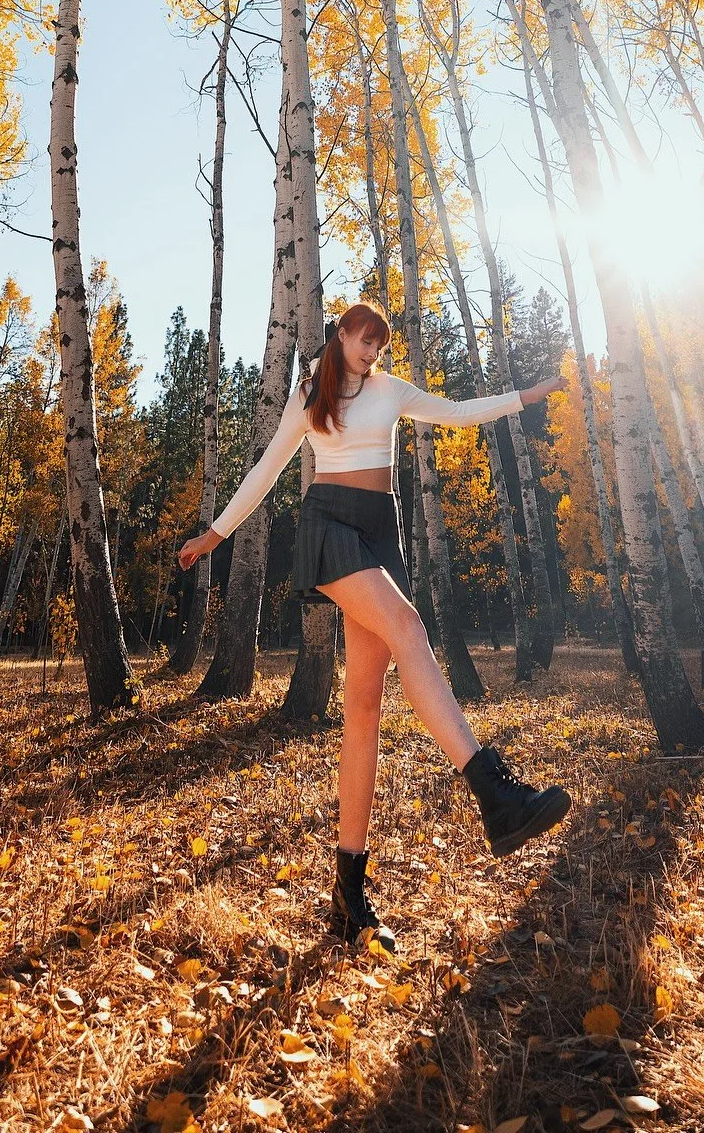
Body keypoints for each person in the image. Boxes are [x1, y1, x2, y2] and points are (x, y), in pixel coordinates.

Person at [179, 300, 572, 954]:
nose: (372, 354)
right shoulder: (311, 395)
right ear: (342, 335)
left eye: (379, 347)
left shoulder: (391, 391)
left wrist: (533, 393)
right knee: (410, 630)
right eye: (365, 341)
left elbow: (458, 412)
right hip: (329, 527)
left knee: (363, 709)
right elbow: (269, 468)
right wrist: (215, 533)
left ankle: (347, 895)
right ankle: (494, 792)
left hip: (380, 533)